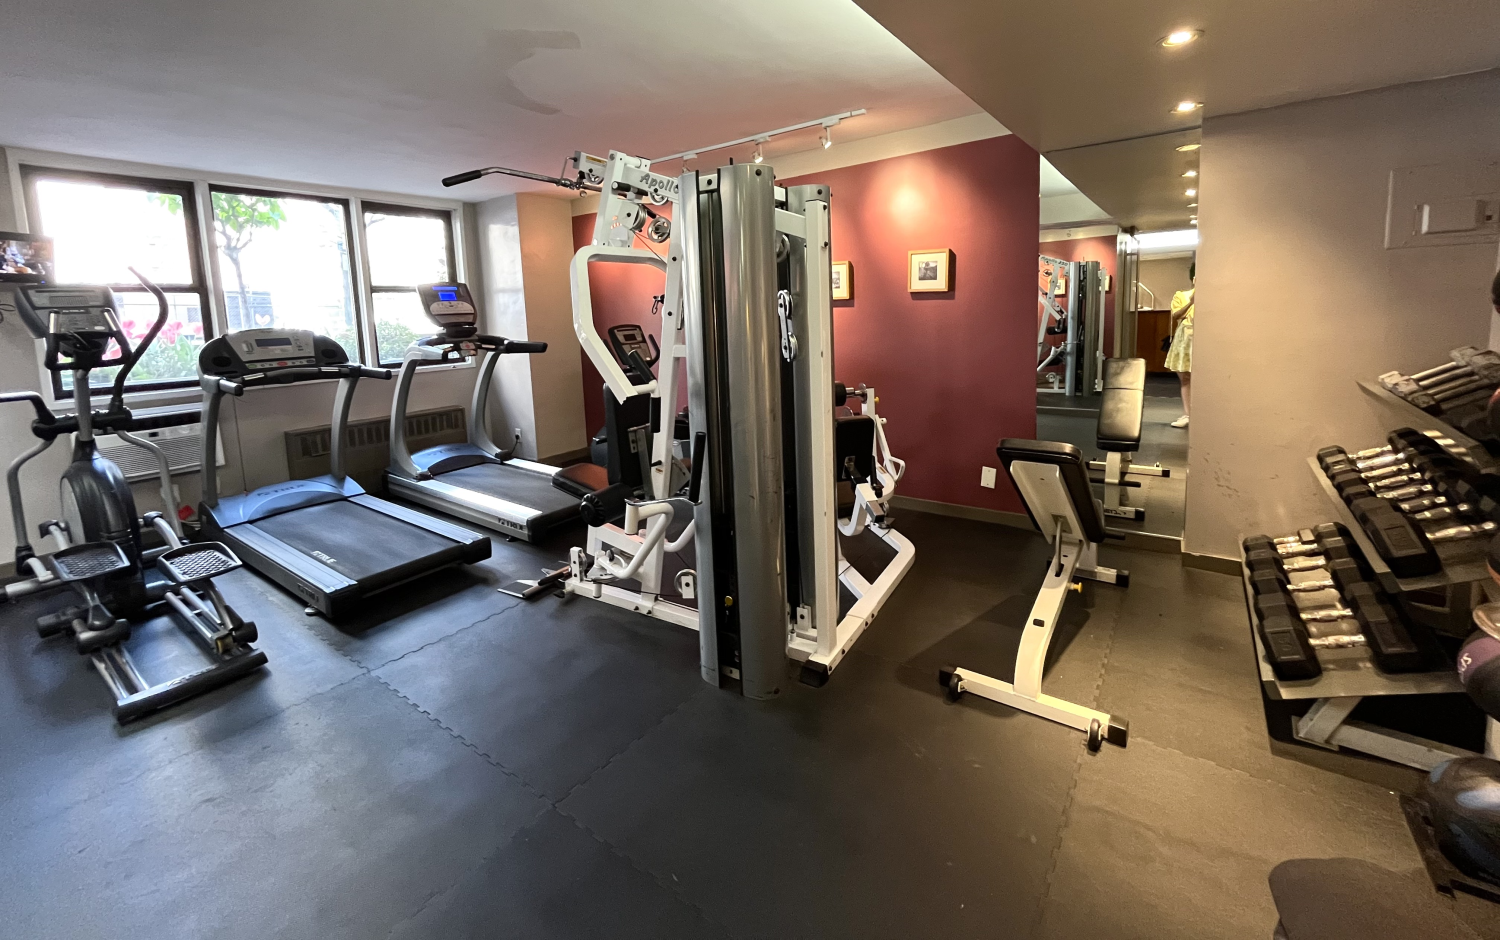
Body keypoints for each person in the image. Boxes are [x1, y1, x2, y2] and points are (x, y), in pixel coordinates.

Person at [1165, 262, 1196, 428]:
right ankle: (1187, 414)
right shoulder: (1181, 295)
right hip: (1185, 339)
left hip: (1203, 338)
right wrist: (1191, 302)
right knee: (1185, 377)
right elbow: (1176, 315)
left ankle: (1202, 414)